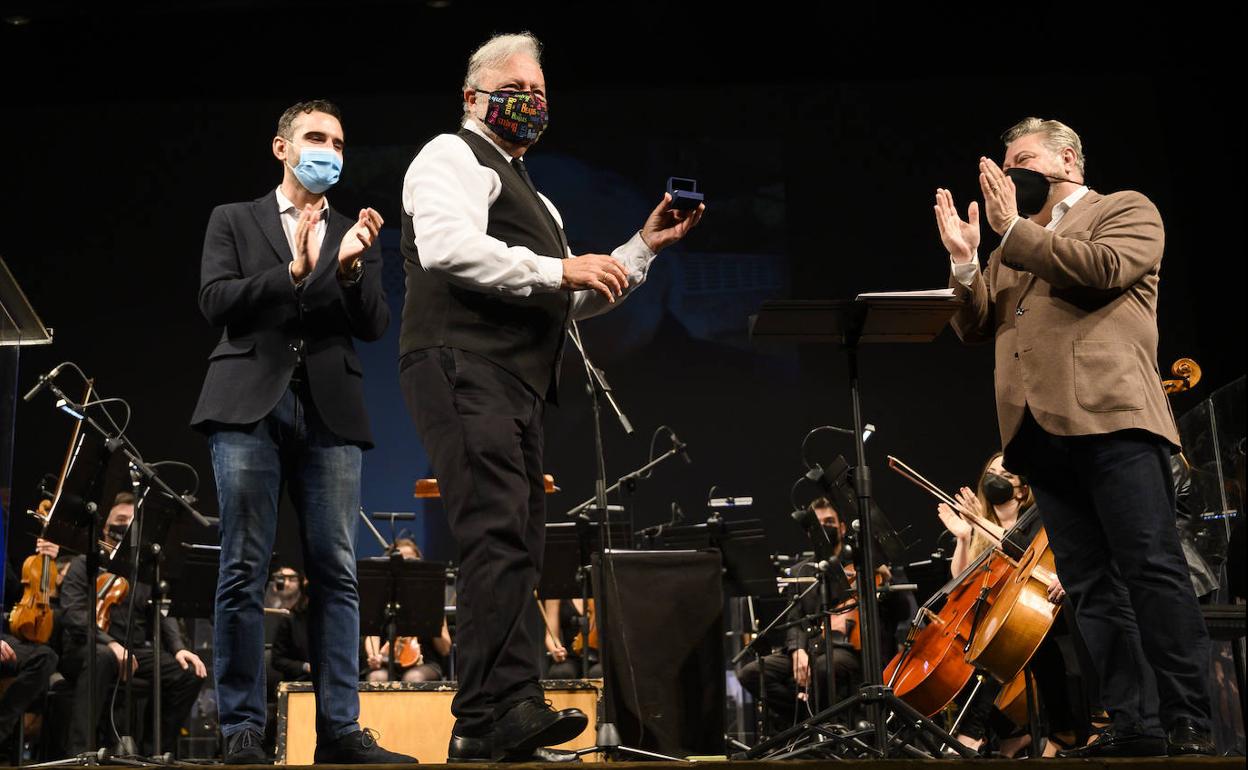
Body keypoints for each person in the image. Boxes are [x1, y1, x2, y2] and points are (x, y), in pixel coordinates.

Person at [399, 31, 704, 763]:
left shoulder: (536, 197)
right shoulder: (450, 155)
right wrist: (559, 270)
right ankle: (491, 711)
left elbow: (565, 298)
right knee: (497, 532)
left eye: (540, 92)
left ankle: (497, 716)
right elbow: (445, 246)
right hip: (459, 362)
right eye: (516, 89)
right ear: (473, 97)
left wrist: (639, 249)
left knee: (519, 539)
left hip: (515, 378)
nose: (532, 103)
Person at [935, 117, 1213, 757]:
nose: (1010, 176)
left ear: (1067, 159)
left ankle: (1188, 720)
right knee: (1089, 586)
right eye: (1005, 166)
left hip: (1112, 419)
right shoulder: (1010, 247)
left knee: (1151, 569)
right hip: (1037, 436)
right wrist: (964, 260)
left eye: (1022, 160)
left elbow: (1104, 268)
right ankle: (1135, 723)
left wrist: (1011, 231)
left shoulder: (1124, 210)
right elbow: (976, 326)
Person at [191, 99, 412, 764]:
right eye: (317, 138)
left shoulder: (355, 230)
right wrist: (291, 272)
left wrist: (344, 268)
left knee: (337, 574)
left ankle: (339, 731)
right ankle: (241, 731)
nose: (330, 152)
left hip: (329, 409)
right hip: (247, 405)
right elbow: (215, 301)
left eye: (340, 143)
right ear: (282, 147)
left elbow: (373, 322)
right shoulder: (234, 220)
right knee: (243, 570)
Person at [934, 453, 1083, 757]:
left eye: (1004, 474)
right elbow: (962, 579)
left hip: (1042, 608)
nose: (995, 479)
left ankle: (973, 735)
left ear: (1021, 487)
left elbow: (1025, 554)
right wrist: (964, 537)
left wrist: (979, 524)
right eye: (990, 472)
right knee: (968, 657)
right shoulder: (980, 523)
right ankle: (1011, 732)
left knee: (1011, 649)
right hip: (997, 614)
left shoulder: (1036, 517)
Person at [57, 492, 207, 756]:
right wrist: (111, 643)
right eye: (119, 519)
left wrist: (178, 648)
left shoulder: (142, 574)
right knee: (102, 657)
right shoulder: (84, 564)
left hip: (134, 651)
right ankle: (79, 753)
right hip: (87, 648)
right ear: (105, 527)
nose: (125, 526)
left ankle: (154, 751)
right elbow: (73, 614)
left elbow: (161, 613)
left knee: (187, 673)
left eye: (131, 522)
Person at [737, 498, 885, 733]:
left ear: (843, 527)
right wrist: (797, 652)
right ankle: (805, 721)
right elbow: (793, 620)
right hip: (809, 647)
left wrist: (876, 569)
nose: (825, 528)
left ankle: (820, 727)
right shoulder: (800, 572)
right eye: (818, 524)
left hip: (844, 650)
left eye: (830, 522)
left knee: (825, 668)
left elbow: (882, 606)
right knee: (752, 673)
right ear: (810, 532)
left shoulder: (860, 568)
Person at [362, 539, 453, 683]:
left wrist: (431, 615)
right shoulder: (383, 594)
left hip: (425, 662)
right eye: (402, 562)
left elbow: (445, 649)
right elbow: (372, 635)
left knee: (413, 678)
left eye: (411, 562)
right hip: (387, 660)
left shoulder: (430, 596)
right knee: (376, 678)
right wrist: (374, 656)